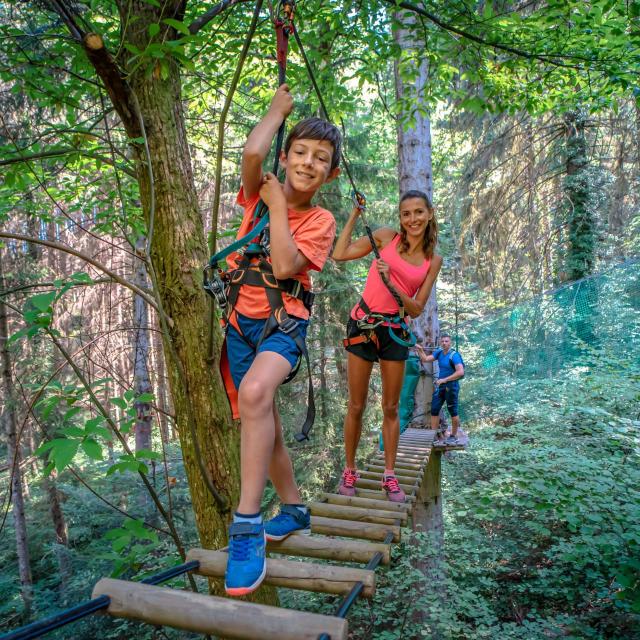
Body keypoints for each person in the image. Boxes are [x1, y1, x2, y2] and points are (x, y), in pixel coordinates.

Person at [221, 84, 341, 596]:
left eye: (321, 159)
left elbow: (287, 265)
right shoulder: (258, 190)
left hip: (283, 325)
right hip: (238, 324)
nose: (308, 163)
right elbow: (252, 153)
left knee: (254, 395)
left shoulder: (320, 219)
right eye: (300, 152)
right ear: (286, 155)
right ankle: (293, 507)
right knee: (259, 417)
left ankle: (246, 528)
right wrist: (276, 111)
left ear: (331, 174)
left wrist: (275, 205)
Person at [333, 190, 442, 502]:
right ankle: (350, 470)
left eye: (419, 212)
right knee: (356, 404)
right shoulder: (384, 238)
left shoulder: (432, 260)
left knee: (391, 407)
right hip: (364, 326)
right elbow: (339, 253)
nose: (412, 219)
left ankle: (390, 475)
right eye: (406, 214)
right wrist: (355, 213)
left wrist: (392, 283)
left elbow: (417, 308)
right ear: (400, 218)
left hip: (394, 330)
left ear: (429, 214)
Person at [418, 333, 465, 444]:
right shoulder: (439, 352)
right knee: (434, 410)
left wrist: (444, 380)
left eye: (446, 341)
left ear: (450, 342)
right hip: (441, 386)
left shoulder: (454, 355)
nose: (444, 343)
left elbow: (460, 372)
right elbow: (425, 359)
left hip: (451, 386)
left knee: (453, 411)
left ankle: (453, 436)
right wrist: (420, 350)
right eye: (442, 341)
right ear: (440, 342)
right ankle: (433, 436)